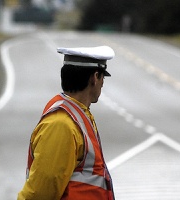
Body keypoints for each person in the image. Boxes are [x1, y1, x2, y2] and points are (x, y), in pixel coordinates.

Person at [17, 46, 115, 200]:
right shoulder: (62, 124)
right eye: (103, 77)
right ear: (95, 77)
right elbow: (41, 193)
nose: (103, 83)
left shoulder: (78, 115)